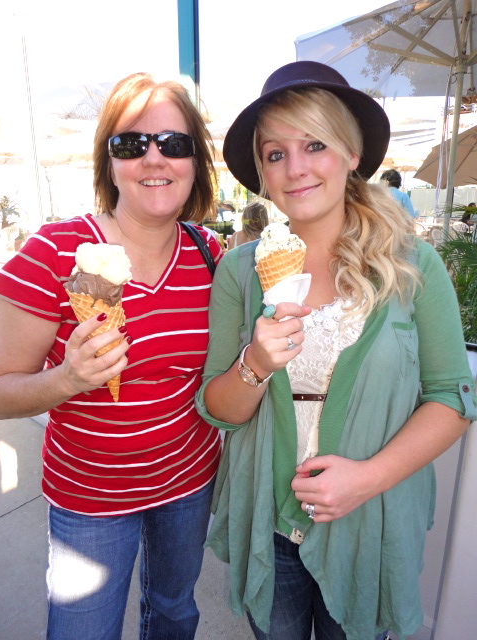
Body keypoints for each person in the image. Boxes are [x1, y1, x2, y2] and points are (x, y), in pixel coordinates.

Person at [194, 61, 476, 640]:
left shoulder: (412, 264)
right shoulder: (240, 270)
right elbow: (218, 410)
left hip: (368, 520)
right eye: (276, 153)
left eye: (315, 144)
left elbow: (452, 396)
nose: (295, 168)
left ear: (352, 154)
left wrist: (367, 478)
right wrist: (255, 364)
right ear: (263, 173)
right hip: (268, 519)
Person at [0, 72, 223, 640]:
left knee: (174, 613)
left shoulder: (209, 253)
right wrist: (65, 380)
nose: (154, 157)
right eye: (131, 143)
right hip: (90, 499)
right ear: (109, 161)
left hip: (190, 482)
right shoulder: (56, 251)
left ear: (195, 162)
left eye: (174, 143)